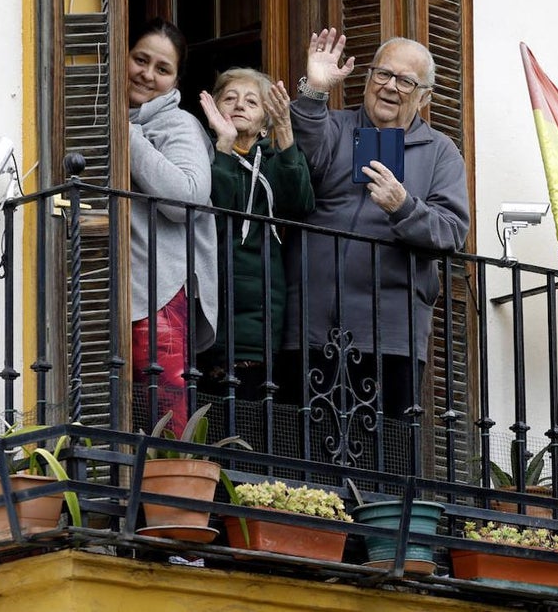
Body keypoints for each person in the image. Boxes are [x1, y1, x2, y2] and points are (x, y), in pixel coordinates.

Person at [282, 28, 470, 421]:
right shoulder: (333, 126)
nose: (390, 87)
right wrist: (315, 91)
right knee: (301, 453)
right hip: (310, 325)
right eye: (382, 74)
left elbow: (451, 230)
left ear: (425, 98)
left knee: (386, 460)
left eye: (406, 81)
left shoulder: (441, 152)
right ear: (367, 79)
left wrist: (403, 206)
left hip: (391, 336)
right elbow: (298, 163)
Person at [197, 68, 315, 400]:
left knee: (251, 417)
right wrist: (224, 144)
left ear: (265, 120)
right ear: (213, 111)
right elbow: (214, 216)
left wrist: (286, 131)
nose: (239, 105)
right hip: (211, 313)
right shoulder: (202, 157)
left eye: (252, 101)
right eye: (229, 98)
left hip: (262, 317)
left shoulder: (276, 161)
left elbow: (301, 202)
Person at [128, 18, 218, 435]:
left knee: (164, 412)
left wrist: (126, 137)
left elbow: (186, 199)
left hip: (160, 291)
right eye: (140, 60)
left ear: (176, 80)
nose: (147, 74)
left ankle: (172, 499)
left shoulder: (178, 125)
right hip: (117, 290)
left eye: (161, 69)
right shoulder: (93, 115)